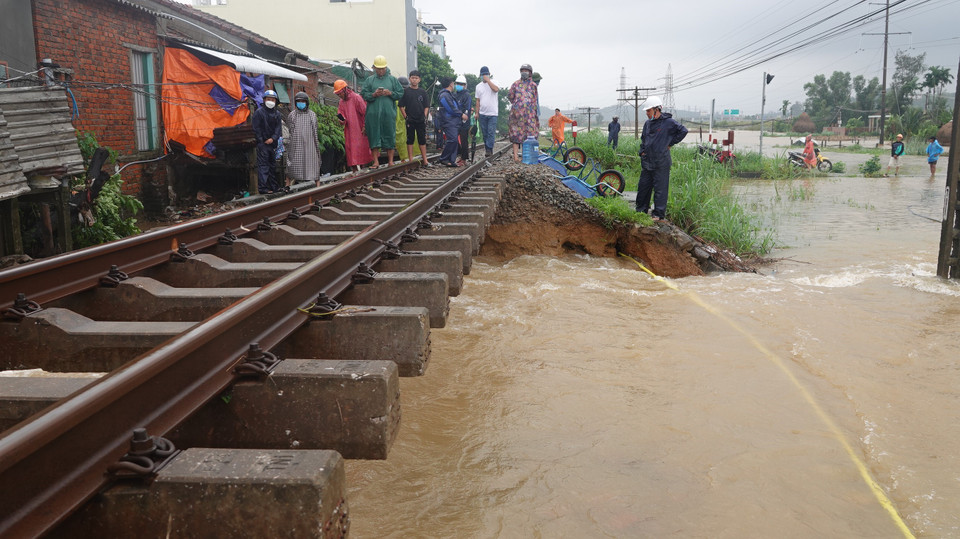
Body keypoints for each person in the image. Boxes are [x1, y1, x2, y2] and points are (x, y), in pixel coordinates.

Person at [635, 95, 688, 221]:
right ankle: (640, 211)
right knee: (643, 188)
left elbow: (683, 131)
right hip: (647, 161)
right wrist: (642, 152)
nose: (647, 113)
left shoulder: (668, 122)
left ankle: (658, 214)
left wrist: (670, 143)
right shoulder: (647, 124)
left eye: (648, 110)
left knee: (660, 189)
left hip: (661, 162)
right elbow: (644, 139)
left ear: (656, 109)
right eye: (647, 111)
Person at [361, 55, 403, 168]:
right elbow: (363, 94)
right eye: (378, 68)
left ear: (386, 67)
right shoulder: (369, 80)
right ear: (374, 68)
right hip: (373, 114)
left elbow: (400, 93)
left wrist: (391, 93)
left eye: (382, 68)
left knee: (390, 135)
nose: (380, 71)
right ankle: (376, 161)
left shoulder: (392, 80)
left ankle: (390, 161)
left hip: (388, 113)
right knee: (374, 136)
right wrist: (373, 94)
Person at [334, 79, 372, 172]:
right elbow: (341, 114)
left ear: (345, 90)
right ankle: (354, 170)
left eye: (340, 94)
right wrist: (341, 120)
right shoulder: (341, 102)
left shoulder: (356, 97)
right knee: (350, 149)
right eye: (338, 95)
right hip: (349, 131)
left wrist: (365, 125)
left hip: (359, 128)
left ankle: (363, 168)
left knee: (361, 148)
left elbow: (365, 112)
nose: (340, 96)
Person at [285, 91, 322, 186]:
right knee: (292, 165)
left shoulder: (312, 115)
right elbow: (289, 131)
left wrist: (315, 144)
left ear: (307, 102)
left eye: (303, 101)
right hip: (295, 144)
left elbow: (315, 131)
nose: (301, 103)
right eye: (299, 101)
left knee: (313, 163)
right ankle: (287, 185)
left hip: (310, 144)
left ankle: (318, 185)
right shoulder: (292, 115)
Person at [252, 89, 283, 194]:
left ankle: (274, 187)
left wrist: (273, 138)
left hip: (272, 144)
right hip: (262, 144)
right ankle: (263, 188)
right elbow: (256, 128)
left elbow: (278, 129)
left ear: (275, 101)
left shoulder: (277, 114)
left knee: (272, 166)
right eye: (268, 99)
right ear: (264, 100)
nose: (270, 101)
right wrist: (262, 140)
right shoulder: (259, 113)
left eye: (273, 99)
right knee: (263, 166)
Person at [508, 63, 540, 163]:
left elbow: (535, 99)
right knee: (516, 135)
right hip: (517, 116)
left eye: (526, 71)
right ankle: (516, 157)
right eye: (522, 71)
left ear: (530, 73)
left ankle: (528, 156)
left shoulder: (533, 85)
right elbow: (510, 97)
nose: (524, 72)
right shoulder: (515, 84)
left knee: (530, 134)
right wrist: (518, 105)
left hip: (530, 115)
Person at [399, 69, 431, 167]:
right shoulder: (406, 91)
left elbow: (426, 105)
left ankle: (425, 160)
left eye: (416, 78)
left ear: (419, 80)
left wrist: (424, 116)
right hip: (410, 120)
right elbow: (401, 105)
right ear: (409, 79)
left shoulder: (423, 92)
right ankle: (410, 160)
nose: (414, 80)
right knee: (410, 139)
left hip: (420, 119)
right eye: (412, 78)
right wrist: (406, 117)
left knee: (422, 139)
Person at [437, 76, 466, 167]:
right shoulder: (444, 95)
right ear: (450, 84)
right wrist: (461, 114)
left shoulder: (449, 94)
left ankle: (451, 160)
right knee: (452, 140)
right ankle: (444, 158)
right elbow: (450, 109)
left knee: (454, 141)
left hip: (454, 122)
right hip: (449, 121)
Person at [474, 66, 499, 157]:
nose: (484, 76)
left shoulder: (494, 82)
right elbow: (478, 100)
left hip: (493, 113)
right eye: (482, 75)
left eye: (485, 74)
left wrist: (488, 81)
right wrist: (477, 113)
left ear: (489, 74)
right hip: (483, 113)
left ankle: (489, 149)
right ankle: (487, 148)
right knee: (485, 133)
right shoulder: (478, 86)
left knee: (491, 132)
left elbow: (496, 90)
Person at [454, 75, 473, 165]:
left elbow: (467, 108)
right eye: (458, 83)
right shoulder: (455, 95)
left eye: (461, 84)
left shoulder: (467, 95)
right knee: (455, 139)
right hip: (455, 121)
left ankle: (464, 158)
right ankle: (459, 155)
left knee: (463, 140)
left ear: (464, 85)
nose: (459, 85)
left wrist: (464, 117)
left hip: (464, 121)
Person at [395, 76, 410, 162]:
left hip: (404, 120)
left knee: (405, 139)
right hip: (398, 120)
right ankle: (404, 159)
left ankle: (406, 158)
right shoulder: (395, 96)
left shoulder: (406, 96)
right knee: (400, 139)